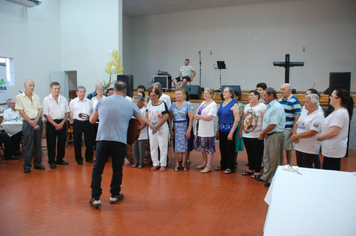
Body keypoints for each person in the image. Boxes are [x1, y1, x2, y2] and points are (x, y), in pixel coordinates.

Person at [89, 81, 154, 208]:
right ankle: (114, 195)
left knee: (98, 169)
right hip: (120, 140)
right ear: (125, 92)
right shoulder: (130, 104)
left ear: (113, 90)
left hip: (102, 139)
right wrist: (133, 130)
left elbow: (92, 120)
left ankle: (95, 198)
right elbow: (142, 121)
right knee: (117, 168)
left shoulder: (101, 101)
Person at [316, 89, 354, 171]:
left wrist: (321, 137)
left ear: (338, 99)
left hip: (333, 148)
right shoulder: (337, 112)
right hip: (330, 149)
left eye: (332, 96)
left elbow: (334, 132)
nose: (330, 97)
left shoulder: (340, 113)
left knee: (330, 170)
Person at [255, 88, 285, 187]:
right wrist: (264, 133)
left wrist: (262, 132)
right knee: (267, 157)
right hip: (268, 135)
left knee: (275, 159)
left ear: (271, 95)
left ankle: (274, 179)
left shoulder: (276, 107)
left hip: (275, 135)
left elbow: (273, 124)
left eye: (265, 95)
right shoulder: (268, 106)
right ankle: (266, 176)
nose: (263, 98)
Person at [15, 80, 44, 173]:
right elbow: (21, 112)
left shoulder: (36, 96)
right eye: (30, 85)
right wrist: (31, 122)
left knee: (38, 143)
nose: (32, 87)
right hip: (28, 123)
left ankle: (37, 163)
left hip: (37, 121)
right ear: (24, 86)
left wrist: (36, 120)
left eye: (33, 86)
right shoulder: (19, 97)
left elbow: (40, 110)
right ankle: (27, 165)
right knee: (28, 145)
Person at [291, 94, 324, 168]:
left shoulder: (318, 115)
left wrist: (297, 136)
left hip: (309, 148)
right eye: (305, 102)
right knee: (300, 166)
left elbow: (313, 131)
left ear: (314, 103)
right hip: (299, 145)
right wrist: (294, 134)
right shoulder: (305, 112)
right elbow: (297, 123)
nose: (305, 104)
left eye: (307, 102)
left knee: (307, 167)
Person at [42, 82, 70, 169]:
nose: (57, 90)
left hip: (62, 122)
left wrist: (62, 123)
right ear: (51, 89)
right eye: (55, 88)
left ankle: (60, 159)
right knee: (51, 143)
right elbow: (46, 114)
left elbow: (67, 112)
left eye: (58, 88)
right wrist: (55, 124)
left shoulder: (63, 99)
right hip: (51, 123)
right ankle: (51, 161)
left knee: (62, 142)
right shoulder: (46, 100)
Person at [238, 90, 266, 178]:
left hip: (256, 134)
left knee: (256, 153)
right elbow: (243, 119)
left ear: (257, 96)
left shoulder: (262, 106)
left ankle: (257, 170)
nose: (249, 97)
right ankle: (251, 168)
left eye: (251, 95)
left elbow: (264, 120)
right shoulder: (246, 106)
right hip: (246, 134)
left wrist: (262, 132)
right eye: (248, 95)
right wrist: (240, 131)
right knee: (249, 152)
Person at [216, 87, 240, 174]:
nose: (224, 93)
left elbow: (237, 119)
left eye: (226, 92)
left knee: (230, 149)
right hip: (222, 129)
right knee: (222, 148)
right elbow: (219, 118)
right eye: (223, 92)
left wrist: (231, 132)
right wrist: (217, 130)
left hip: (230, 130)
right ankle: (223, 164)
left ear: (231, 94)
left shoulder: (234, 104)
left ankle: (230, 166)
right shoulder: (222, 104)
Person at [169, 88, 194, 171]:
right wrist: (170, 130)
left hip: (185, 126)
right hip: (176, 127)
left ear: (184, 95)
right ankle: (176, 163)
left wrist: (189, 130)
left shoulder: (188, 104)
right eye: (176, 94)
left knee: (185, 146)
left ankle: (183, 163)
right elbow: (170, 118)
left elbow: (191, 118)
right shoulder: (172, 105)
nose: (177, 96)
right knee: (176, 146)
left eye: (179, 94)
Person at [194, 87, 217, 173]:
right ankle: (204, 163)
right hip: (200, 129)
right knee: (202, 148)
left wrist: (199, 117)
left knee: (208, 149)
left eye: (207, 93)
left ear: (211, 95)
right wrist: (196, 116)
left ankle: (209, 166)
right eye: (204, 93)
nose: (205, 94)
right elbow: (199, 113)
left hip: (207, 131)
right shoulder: (203, 103)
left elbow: (210, 117)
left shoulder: (213, 104)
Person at [146, 87, 169, 171]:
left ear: (158, 95)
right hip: (151, 128)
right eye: (150, 96)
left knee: (163, 146)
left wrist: (157, 126)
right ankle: (155, 163)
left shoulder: (162, 104)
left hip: (161, 128)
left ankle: (163, 163)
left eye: (154, 95)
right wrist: (151, 125)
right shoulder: (149, 103)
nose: (152, 98)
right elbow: (146, 116)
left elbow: (166, 116)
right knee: (153, 146)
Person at [69, 86, 94, 165]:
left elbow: (92, 111)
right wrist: (72, 122)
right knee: (77, 142)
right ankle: (78, 159)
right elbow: (71, 113)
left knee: (89, 141)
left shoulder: (89, 101)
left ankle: (89, 157)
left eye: (83, 92)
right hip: (77, 122)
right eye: (80, 92)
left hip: (87, 122)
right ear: (77, 93)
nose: (82, 93)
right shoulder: (73, 102)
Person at [301, 88, 324, 168]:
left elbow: (313, 130)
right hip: (301, 143)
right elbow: (299, 121)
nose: (306, 96)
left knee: (312, 160)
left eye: (308, 94)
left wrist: (297, 136)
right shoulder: (305, 108)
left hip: (310, 143)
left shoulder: (318, 111)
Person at [279, 83, 301, 165]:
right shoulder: (280, 100)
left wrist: (293, 129)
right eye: (281, 89)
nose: (281, 91)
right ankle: (280, 164)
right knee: (280, 148)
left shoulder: (295, 100)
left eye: (283, 89)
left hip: (288, 128)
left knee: (288, 148)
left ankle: (289, 164)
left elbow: (298, 115)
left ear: (289, 90)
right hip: (280, 128)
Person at [132, 96, 149, 169]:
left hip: (142, 131)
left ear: (142, 102)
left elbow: (145, 121)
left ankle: (141, 162)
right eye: (135, 102)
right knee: (134, 148)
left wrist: (140, 128)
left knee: (141, 148)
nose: (136, 103)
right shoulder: (133, 110)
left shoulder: (144, 110)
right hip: (134, 131)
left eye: (138, 102)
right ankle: (135, 161)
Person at [91, 84, 106, 150]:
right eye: (98, 89)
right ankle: (95, 147)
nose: (100, 91)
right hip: (95, 121)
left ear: (103, 91)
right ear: (96, 91)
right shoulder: (93, 99)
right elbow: (91, 109)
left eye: (101, 89)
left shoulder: (106, 99)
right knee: (94, 135)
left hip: (103, 121)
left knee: (102, 136)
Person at [234, 90, 244, 167]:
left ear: (237, 97)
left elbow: (240, 117)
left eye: (234, 96)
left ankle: (234, 160)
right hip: (229, 125)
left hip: (237, 125)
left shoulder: (240, 105)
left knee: (236, 143)